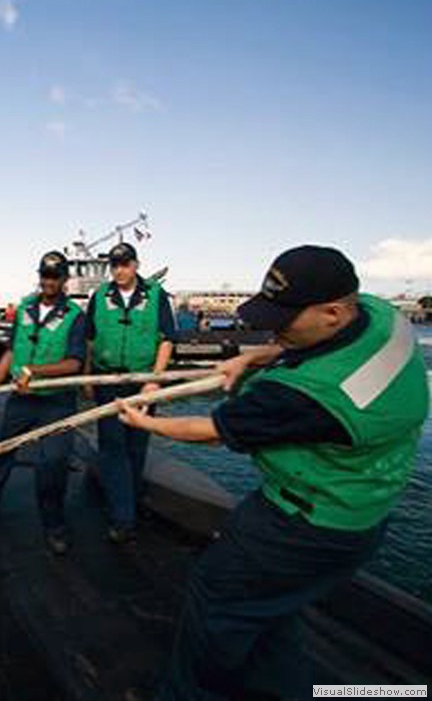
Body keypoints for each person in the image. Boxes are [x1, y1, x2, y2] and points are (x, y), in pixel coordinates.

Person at [116, 245, 429, 700]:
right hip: (362, 513)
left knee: (218, 597)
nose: (274, 328)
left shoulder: (311, 395)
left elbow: (211, 430)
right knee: (271, 608)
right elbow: (300, 349)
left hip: (300, 522)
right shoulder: (382, 317)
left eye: (284, 319)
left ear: (333, 311)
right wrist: (252, 357)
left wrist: (144, 420)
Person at [0, 251, 87, 554]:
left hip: (56, 403)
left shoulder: (75, 316)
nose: (48, 282)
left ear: (64, 280)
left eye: (54, 277)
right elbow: (10, 351)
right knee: (2, 448)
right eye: (44, 276)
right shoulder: (24, 310)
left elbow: (74, 364)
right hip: (21, 400)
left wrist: (34, 371)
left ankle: (54, 526)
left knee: (52, 465)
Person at [85, 241, 175, 543]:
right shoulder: (99, 296)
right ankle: (123, 517)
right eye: (115, 265)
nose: (119, 270)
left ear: (136, 265)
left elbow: (167, 339)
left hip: (143, 381)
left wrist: (154, 380)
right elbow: (90, 338)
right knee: (113, 446)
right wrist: (87, 377)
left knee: (137, 445)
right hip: (107, 379)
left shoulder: (156, 296)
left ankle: (129, 501)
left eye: (125, 264)